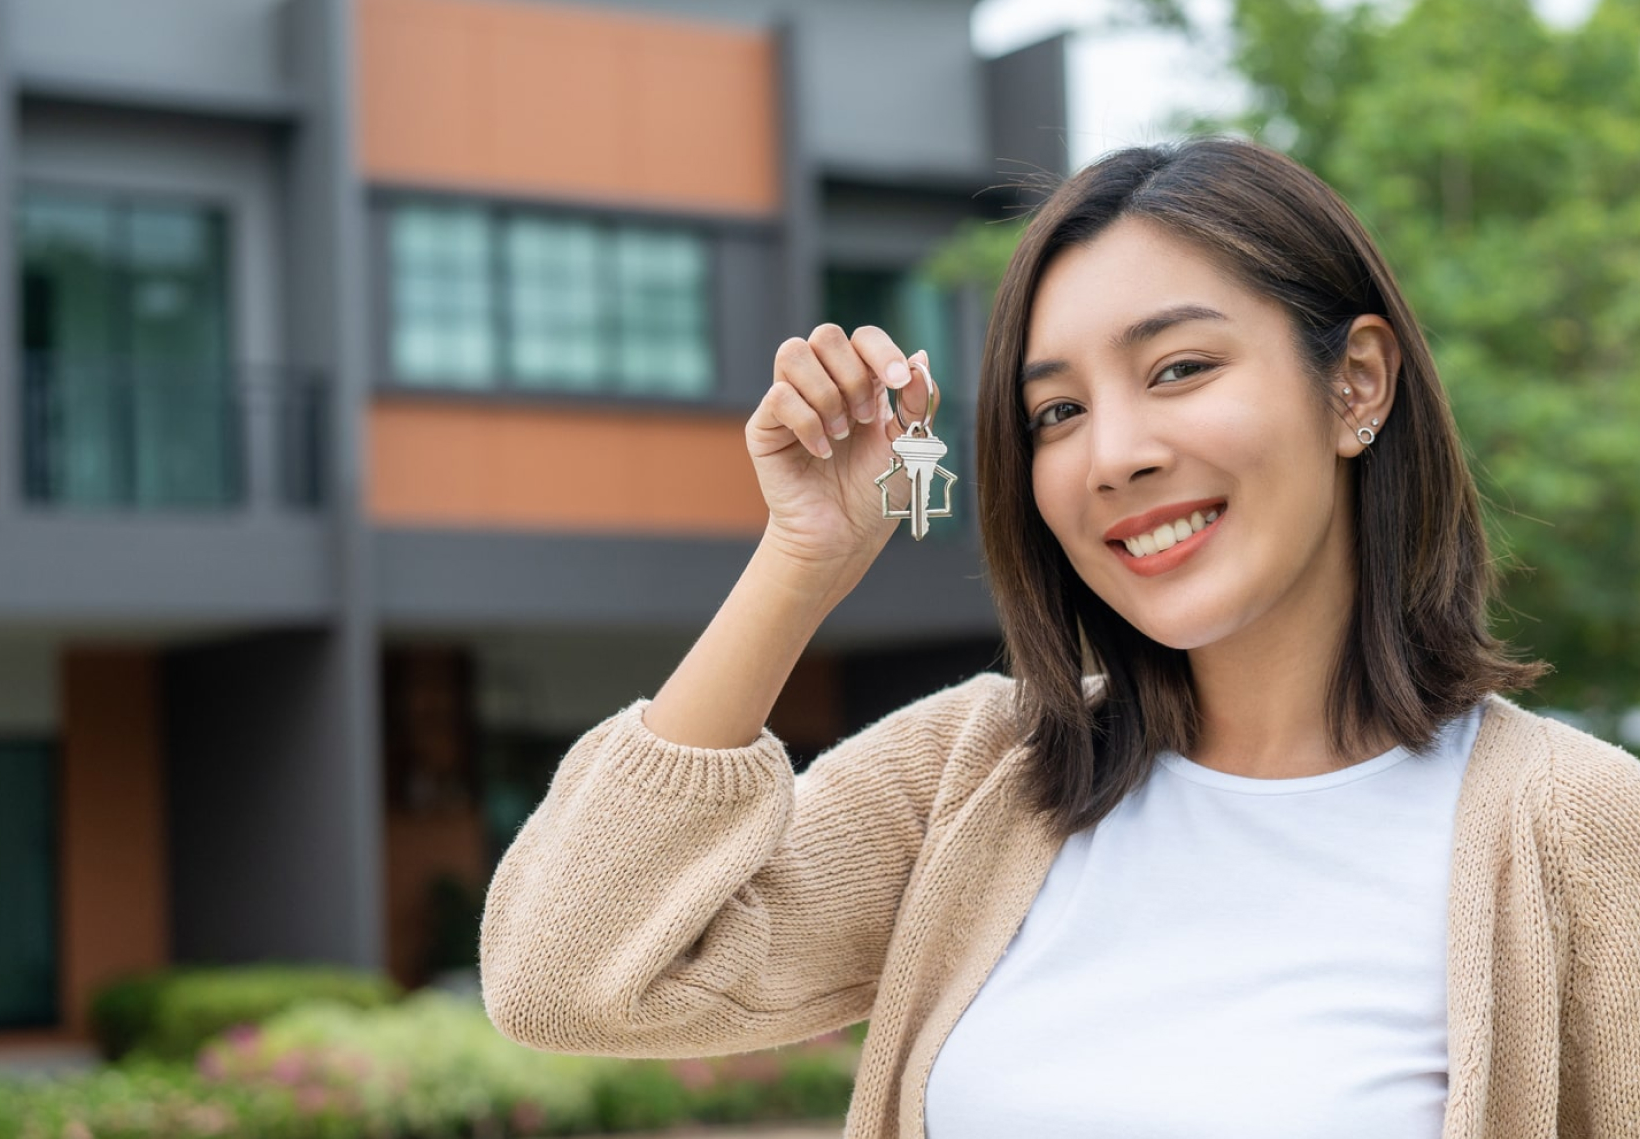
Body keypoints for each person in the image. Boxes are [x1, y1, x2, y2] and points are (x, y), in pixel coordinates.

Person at [478, 139, 1640, 1137]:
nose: (1112, 453)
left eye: (1177, 368)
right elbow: (564, 977)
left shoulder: (1573, 830)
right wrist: (801, 560)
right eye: (1056, 411)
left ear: (1355, 386)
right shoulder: (980, 775)